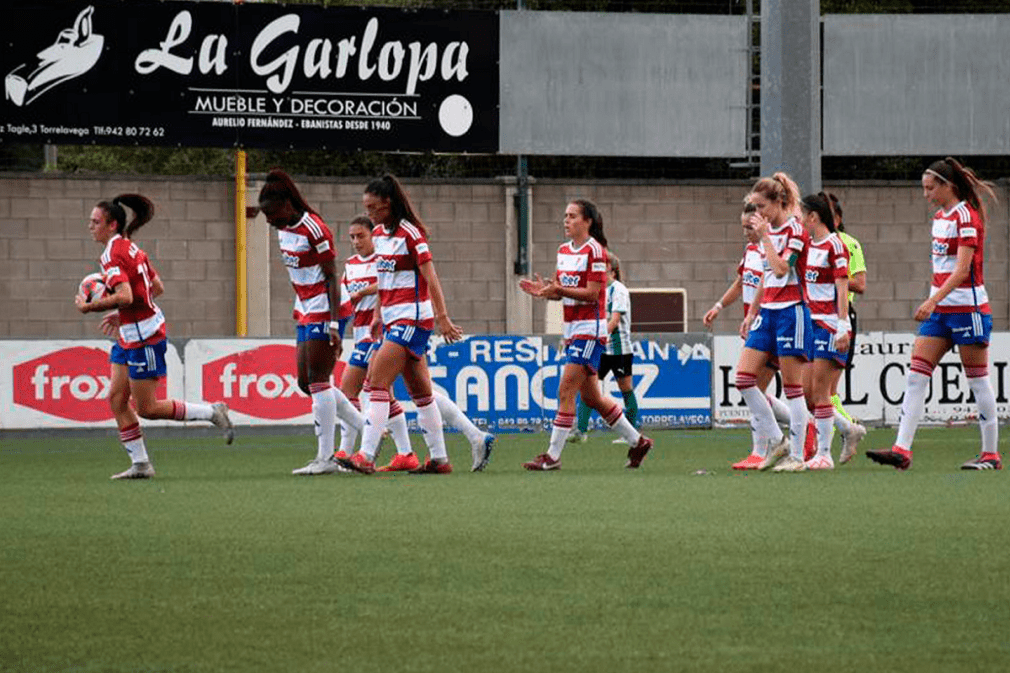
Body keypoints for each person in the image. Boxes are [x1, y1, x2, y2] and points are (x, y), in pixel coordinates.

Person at [75, 194, 233, 480]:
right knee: (116, 399)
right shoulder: (130, 248)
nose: (90, 226)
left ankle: (211, 411)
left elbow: (125, 294)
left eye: (95, 222)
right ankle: (141, 464)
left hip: (144, 337)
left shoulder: (112, 254)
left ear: (111, 225)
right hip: (129, 333)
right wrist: (121, 313)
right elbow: (155, 287)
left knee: (146, 408)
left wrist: (90, 306)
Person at [867, 158, 1001, 471]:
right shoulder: (940, 217)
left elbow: (962, 270)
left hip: (967, 309)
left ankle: (990, 454)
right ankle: (902, 450)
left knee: (978, 381)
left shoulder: (965, 216)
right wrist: (934, 301)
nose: (926, 194)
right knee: (916, 376)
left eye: (930, 188)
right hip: (940, 312)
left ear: (947, 186)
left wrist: (931, 301)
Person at [336, 216, 496, 472]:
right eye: (352, 237)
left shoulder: (406, 237)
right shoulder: (359, 258)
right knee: (420, 392)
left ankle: (361, 453)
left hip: (406, 322)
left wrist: (442, 317)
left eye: (360, 235)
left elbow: (427, 277)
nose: (356, 241)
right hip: (383, 326)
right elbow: (384, 286)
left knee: (369, 386)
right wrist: (376, 314)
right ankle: (447, 449)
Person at [518, 199, 653, 470]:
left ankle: (552, 456)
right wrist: (546, 292)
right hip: (572, 330)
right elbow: (561, 291)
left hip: (591, 331)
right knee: (592, 398)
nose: (565, 221)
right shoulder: (563, 250)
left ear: (587, 221)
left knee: (565, 389)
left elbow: (593, 294)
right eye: (565, 216)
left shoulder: (596, 251)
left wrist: (559, 290)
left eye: (571, 216)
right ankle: (638, 442)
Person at [258, 169, 365, 476]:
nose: (269, 221)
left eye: (272, 214)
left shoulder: (314, 229)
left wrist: (333, 324)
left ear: (288, 205)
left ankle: (326, 458)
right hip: (304, 306)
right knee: (306, 382)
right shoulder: (283, 228)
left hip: (325, 307)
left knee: (318, 381)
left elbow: (332, 277)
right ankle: (367, 428)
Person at [705, 200, 797, 470]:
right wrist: (719, 306)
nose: (746, 231)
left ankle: (764, 449)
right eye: (743, 227)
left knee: (753, 386)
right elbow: (740, 282)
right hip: (756, 325)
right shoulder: (751, 250)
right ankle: (800, 428)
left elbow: (775, 280)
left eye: (749, 226)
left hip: (772, 322)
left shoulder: (775, 247)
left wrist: (754, 315)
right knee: (754, 388)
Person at [735, 172, 812, 472]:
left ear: (778, 202)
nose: (758, 214)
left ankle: (798, 456)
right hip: (767, 312)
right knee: (743, 379)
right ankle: (778, 440)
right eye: (754, 207)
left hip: (791, 311)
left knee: (793, 387)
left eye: (761, 206)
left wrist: (766, 237)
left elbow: (780, 269)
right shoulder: (766, 234)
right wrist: (752, 313)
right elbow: (766, 279)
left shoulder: (795, 230)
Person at [797, 193, 862, 470]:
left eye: (802, 216)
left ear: (813, 217)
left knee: (821, 392)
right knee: (808, 395)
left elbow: (842, 288)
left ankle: (824, 454)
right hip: (810, 324)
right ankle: (848, 429)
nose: (800, 222)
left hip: (829, 324)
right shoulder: (808, 246)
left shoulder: (836, 246)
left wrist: (843, 326)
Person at [570, 253, 639, 445]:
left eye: (604, 268)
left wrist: (599, 336)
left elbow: (614, 320)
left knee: (625, 389)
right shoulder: (597, 290)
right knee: (587, 386)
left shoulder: (619, 290)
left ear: (613, 271)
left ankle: (630, 434)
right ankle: (581, 431)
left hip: (619, 349)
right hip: (600, 349)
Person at [825, 193, 868, 464]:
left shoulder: (849, 244)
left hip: (839, 314)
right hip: (815, 314)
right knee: (820, 390)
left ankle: (842, 433)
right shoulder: (813, 244)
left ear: (837, 219)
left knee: (826, 389)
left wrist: (834, 277)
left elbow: (860, 284)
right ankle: (844, 430)